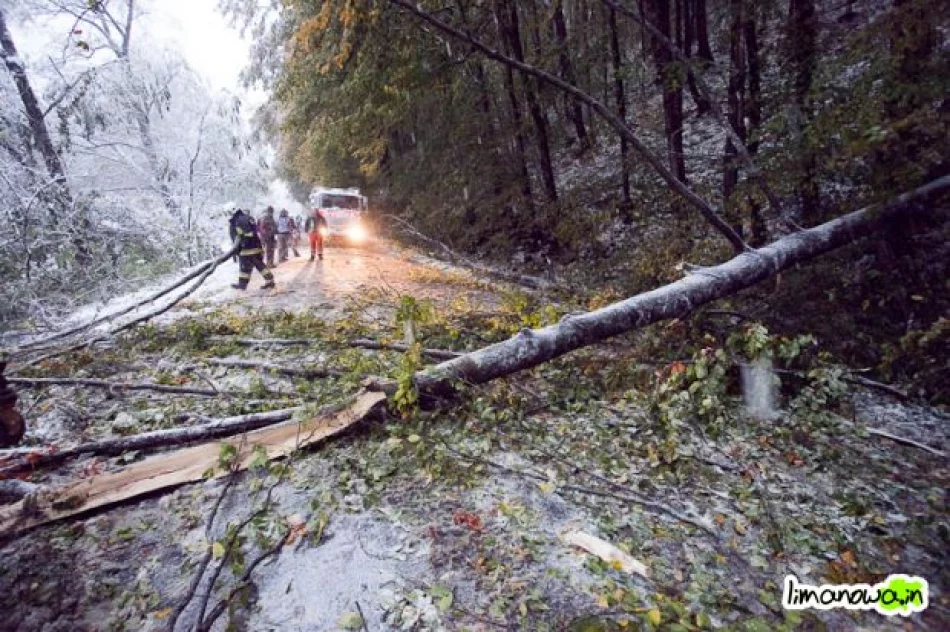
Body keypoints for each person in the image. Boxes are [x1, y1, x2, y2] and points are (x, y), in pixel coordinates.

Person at [229, 209, 275, 290]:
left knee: (244, 267)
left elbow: (240, 235)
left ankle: (242, 285)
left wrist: (240, 246)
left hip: (246, 249)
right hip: (256, 246)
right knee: (260, 265)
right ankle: (270, 280)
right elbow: (254, 231)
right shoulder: (249, 218)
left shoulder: (237, 221)